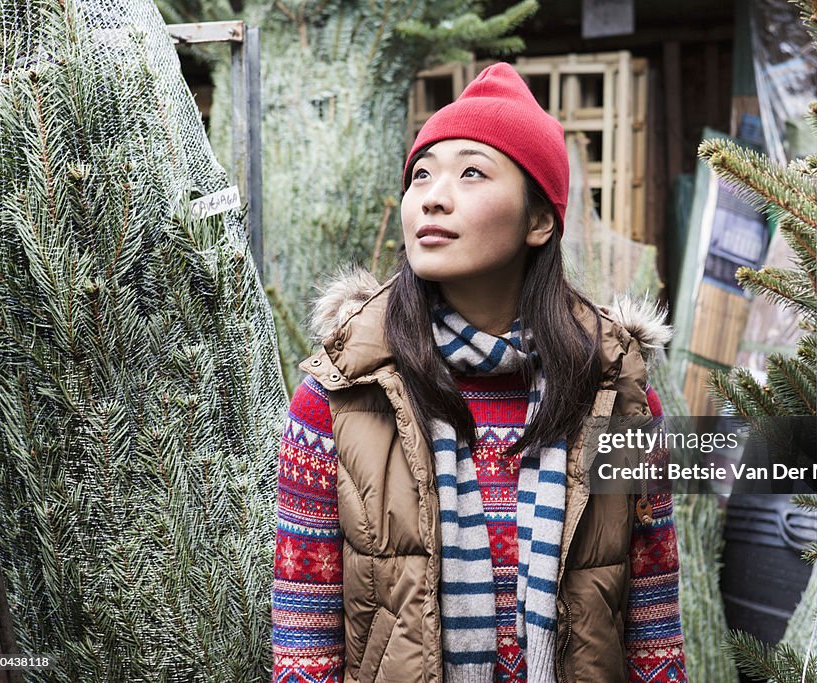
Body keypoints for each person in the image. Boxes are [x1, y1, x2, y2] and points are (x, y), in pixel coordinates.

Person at [272, 63, 686, 682]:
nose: (432, 196)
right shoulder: (341, 394)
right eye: (421, 175)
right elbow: (303, 642)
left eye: (471, 172)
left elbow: (653, 629)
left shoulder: (619, 397)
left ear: (539, 220)